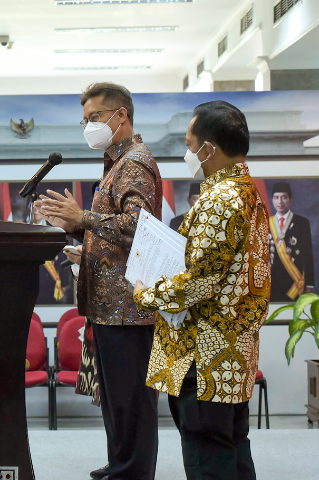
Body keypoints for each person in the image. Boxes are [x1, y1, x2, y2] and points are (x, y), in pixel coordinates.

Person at [134, 100, 270, 480]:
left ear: (208, 148)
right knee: (232, 445)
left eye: (191, 143)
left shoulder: (218, 199)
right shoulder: (247, 191)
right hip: (234, 349)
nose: (188, 151)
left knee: (206, 452)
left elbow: (199, 280)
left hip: (205, 351)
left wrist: (146, 293)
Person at [37, 82, 161, 480]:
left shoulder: (134, 162)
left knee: (131, 401)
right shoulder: (116, 162)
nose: (88, 126)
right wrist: (80, 237)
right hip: (109, 307)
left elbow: (139, 225)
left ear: (120, 115)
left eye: (94, 118)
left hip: (129, 308)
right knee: (114, 399)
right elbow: (115, 234)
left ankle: (132, 472)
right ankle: (120, 463)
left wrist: (83, 219)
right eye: (84, 120)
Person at [268, 182, 314, 302]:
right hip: (272, 283)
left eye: (284, 197)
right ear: (272, 200)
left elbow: (308, 255)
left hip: (295, 282)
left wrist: (309, 284)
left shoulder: (302, 223)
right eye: (276, 197)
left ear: (290, 200)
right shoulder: (266, 224)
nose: (280, 202)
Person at [32, 205, 73, 304]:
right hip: (28, 277)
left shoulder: (54, 229)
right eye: (33, 207)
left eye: (39, 208)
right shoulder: (21, 227)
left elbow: (62, 255)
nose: (36, 211)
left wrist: (63, 282)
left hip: (49, 278)